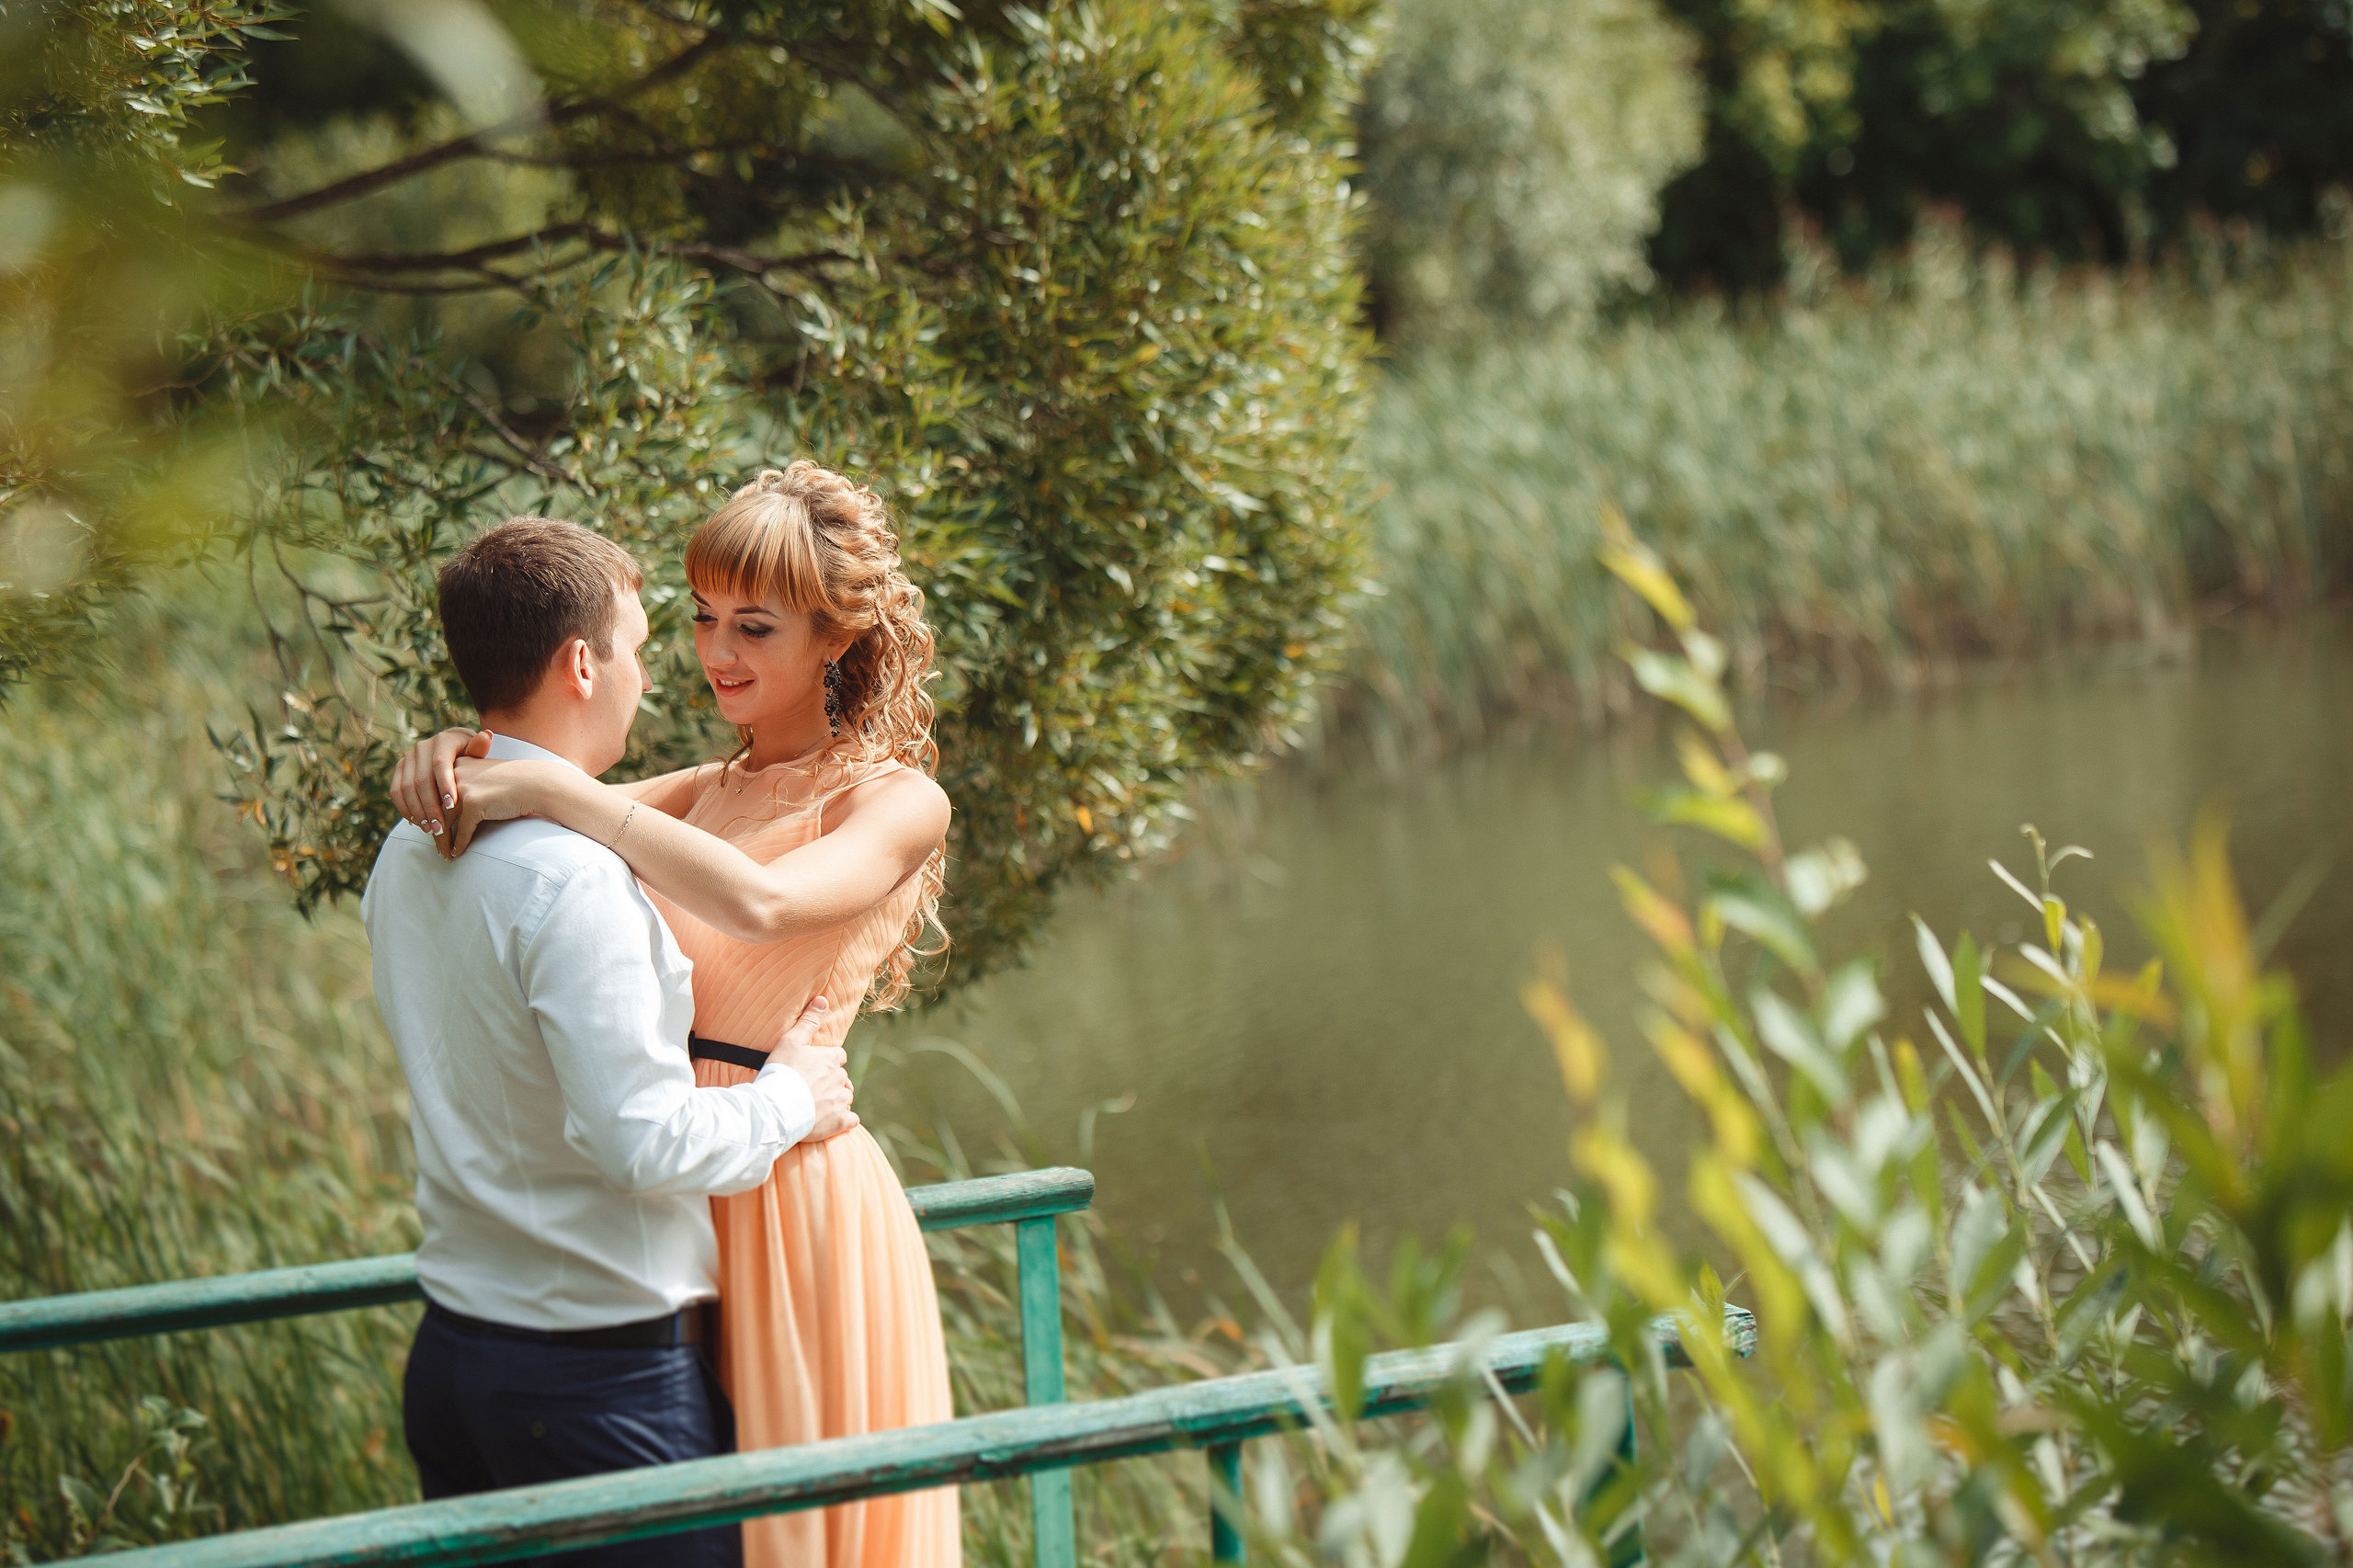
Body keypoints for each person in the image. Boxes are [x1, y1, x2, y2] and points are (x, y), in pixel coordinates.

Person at [388, 463, 960, 1568]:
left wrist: (561, 793)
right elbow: (509, 786)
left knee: (798, 1532)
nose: (715, 653)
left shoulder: (896, 799)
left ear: (835, 637)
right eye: (700, 619)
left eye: (755, 625)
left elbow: (765, 901)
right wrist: (440, 754)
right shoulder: (704, 790)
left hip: (790, 1190)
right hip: (668, 1192)